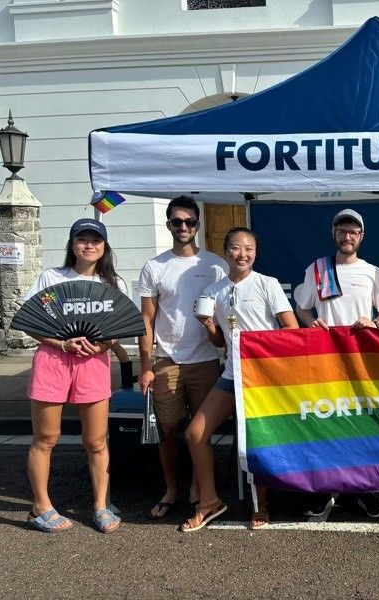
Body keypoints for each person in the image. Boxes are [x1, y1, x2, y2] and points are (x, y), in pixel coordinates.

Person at [180, 227, 298, 532]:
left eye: (248, 248)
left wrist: (263, 348)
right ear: (225, 251)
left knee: (256, 441)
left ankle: (262, 505)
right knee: (195, 434)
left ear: (255, 253)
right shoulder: (213, 291)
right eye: (235, 248)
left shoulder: (267, 284)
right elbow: (221, 342)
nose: (242, 254)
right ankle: (209, 502)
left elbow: (291, 330)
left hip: (264, 376)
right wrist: (207, 325)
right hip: (232, 374)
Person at [24, 218, 125, 533]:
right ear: (72, 244)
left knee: (96, 441)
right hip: (53, 360)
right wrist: (61, 342)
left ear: (104, 246)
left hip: (93, 364)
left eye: (96, 240)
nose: (89, 245)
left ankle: (100, 505)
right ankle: (41, 507)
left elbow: (119, 330)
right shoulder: (51, 277)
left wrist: (101, 345)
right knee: (46, 438)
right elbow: (30, 321)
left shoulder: (114, 284)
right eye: (82, 239)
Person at [295, 208, 379, 519]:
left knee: (364, 424)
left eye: (353, 231)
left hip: (362, 361)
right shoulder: (317, 269)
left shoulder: (373, 272)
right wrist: (311, 324)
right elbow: (302, 309)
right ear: (333, 234)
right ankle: (325, 490)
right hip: (327, 360)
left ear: (361, 237)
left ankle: (366, 490)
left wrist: (375, 324)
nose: (347, 236)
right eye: (342, 230)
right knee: (328, 423)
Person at [137, 195, 227, 519]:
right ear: (169, 224)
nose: (184, 227)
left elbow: (227, 313)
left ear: (198, 225)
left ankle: (198, 487)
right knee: (170, 430)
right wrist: (145, 366)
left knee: (201, 430)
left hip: (205, 359)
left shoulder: (216, 265)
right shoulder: (154, 266)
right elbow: (146, 319)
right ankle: (171, 489)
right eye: (178, 222)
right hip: (167, 361)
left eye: (190, 221)